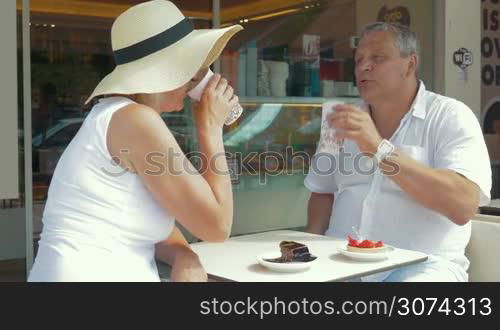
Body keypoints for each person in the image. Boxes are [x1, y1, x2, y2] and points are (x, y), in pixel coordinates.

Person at [28, 0, 243, 282]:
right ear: (168, 70)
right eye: (191, 70)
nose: (194, 80)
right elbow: (216, 227)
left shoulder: (118, 115)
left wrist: (183, 254)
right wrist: (212, 129)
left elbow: (150, 225)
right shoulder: (136, 120)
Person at [304, 22, 492, 282]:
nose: (363, 67)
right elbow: (322, 191)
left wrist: (380, 151)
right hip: (339, 262)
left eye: (377, 58)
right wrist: (308, 253)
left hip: (421, 267)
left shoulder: (450, 115)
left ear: (410, 64)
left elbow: (463, 205)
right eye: (358, 60)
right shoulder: (341, 116)